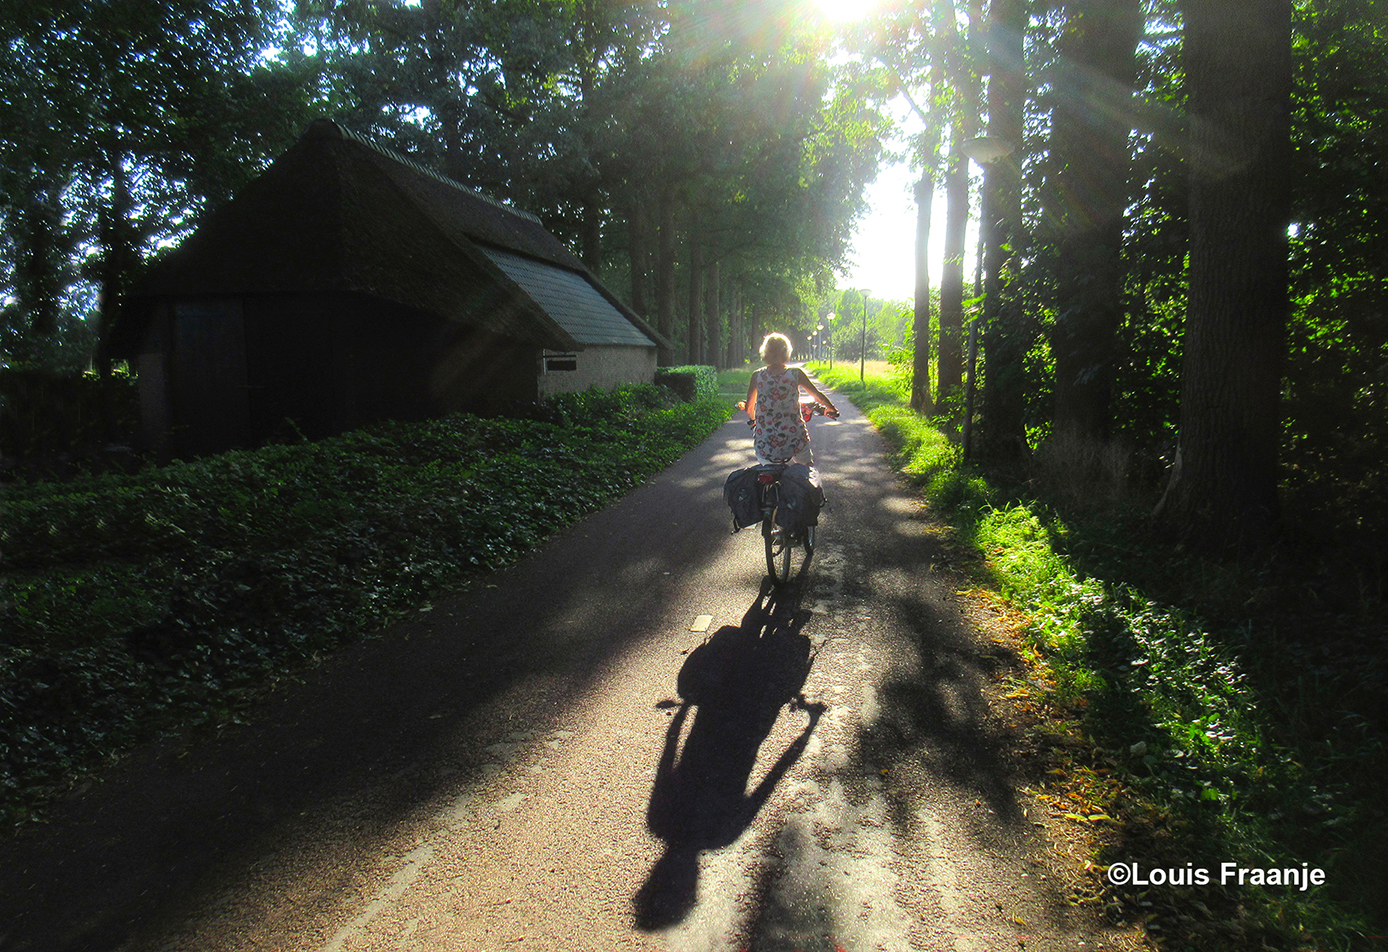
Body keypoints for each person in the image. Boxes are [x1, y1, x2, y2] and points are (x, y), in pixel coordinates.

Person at [739, 333, 838, 465]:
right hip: (794, 441)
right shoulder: (795, 373)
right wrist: (831, 407)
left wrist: (754, 420)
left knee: (764, 469)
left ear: (765, 352)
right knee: (807, 471)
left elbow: (749, 409)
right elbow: (817, 396)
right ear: (786, 352)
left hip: (766, 445)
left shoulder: (757, 376)